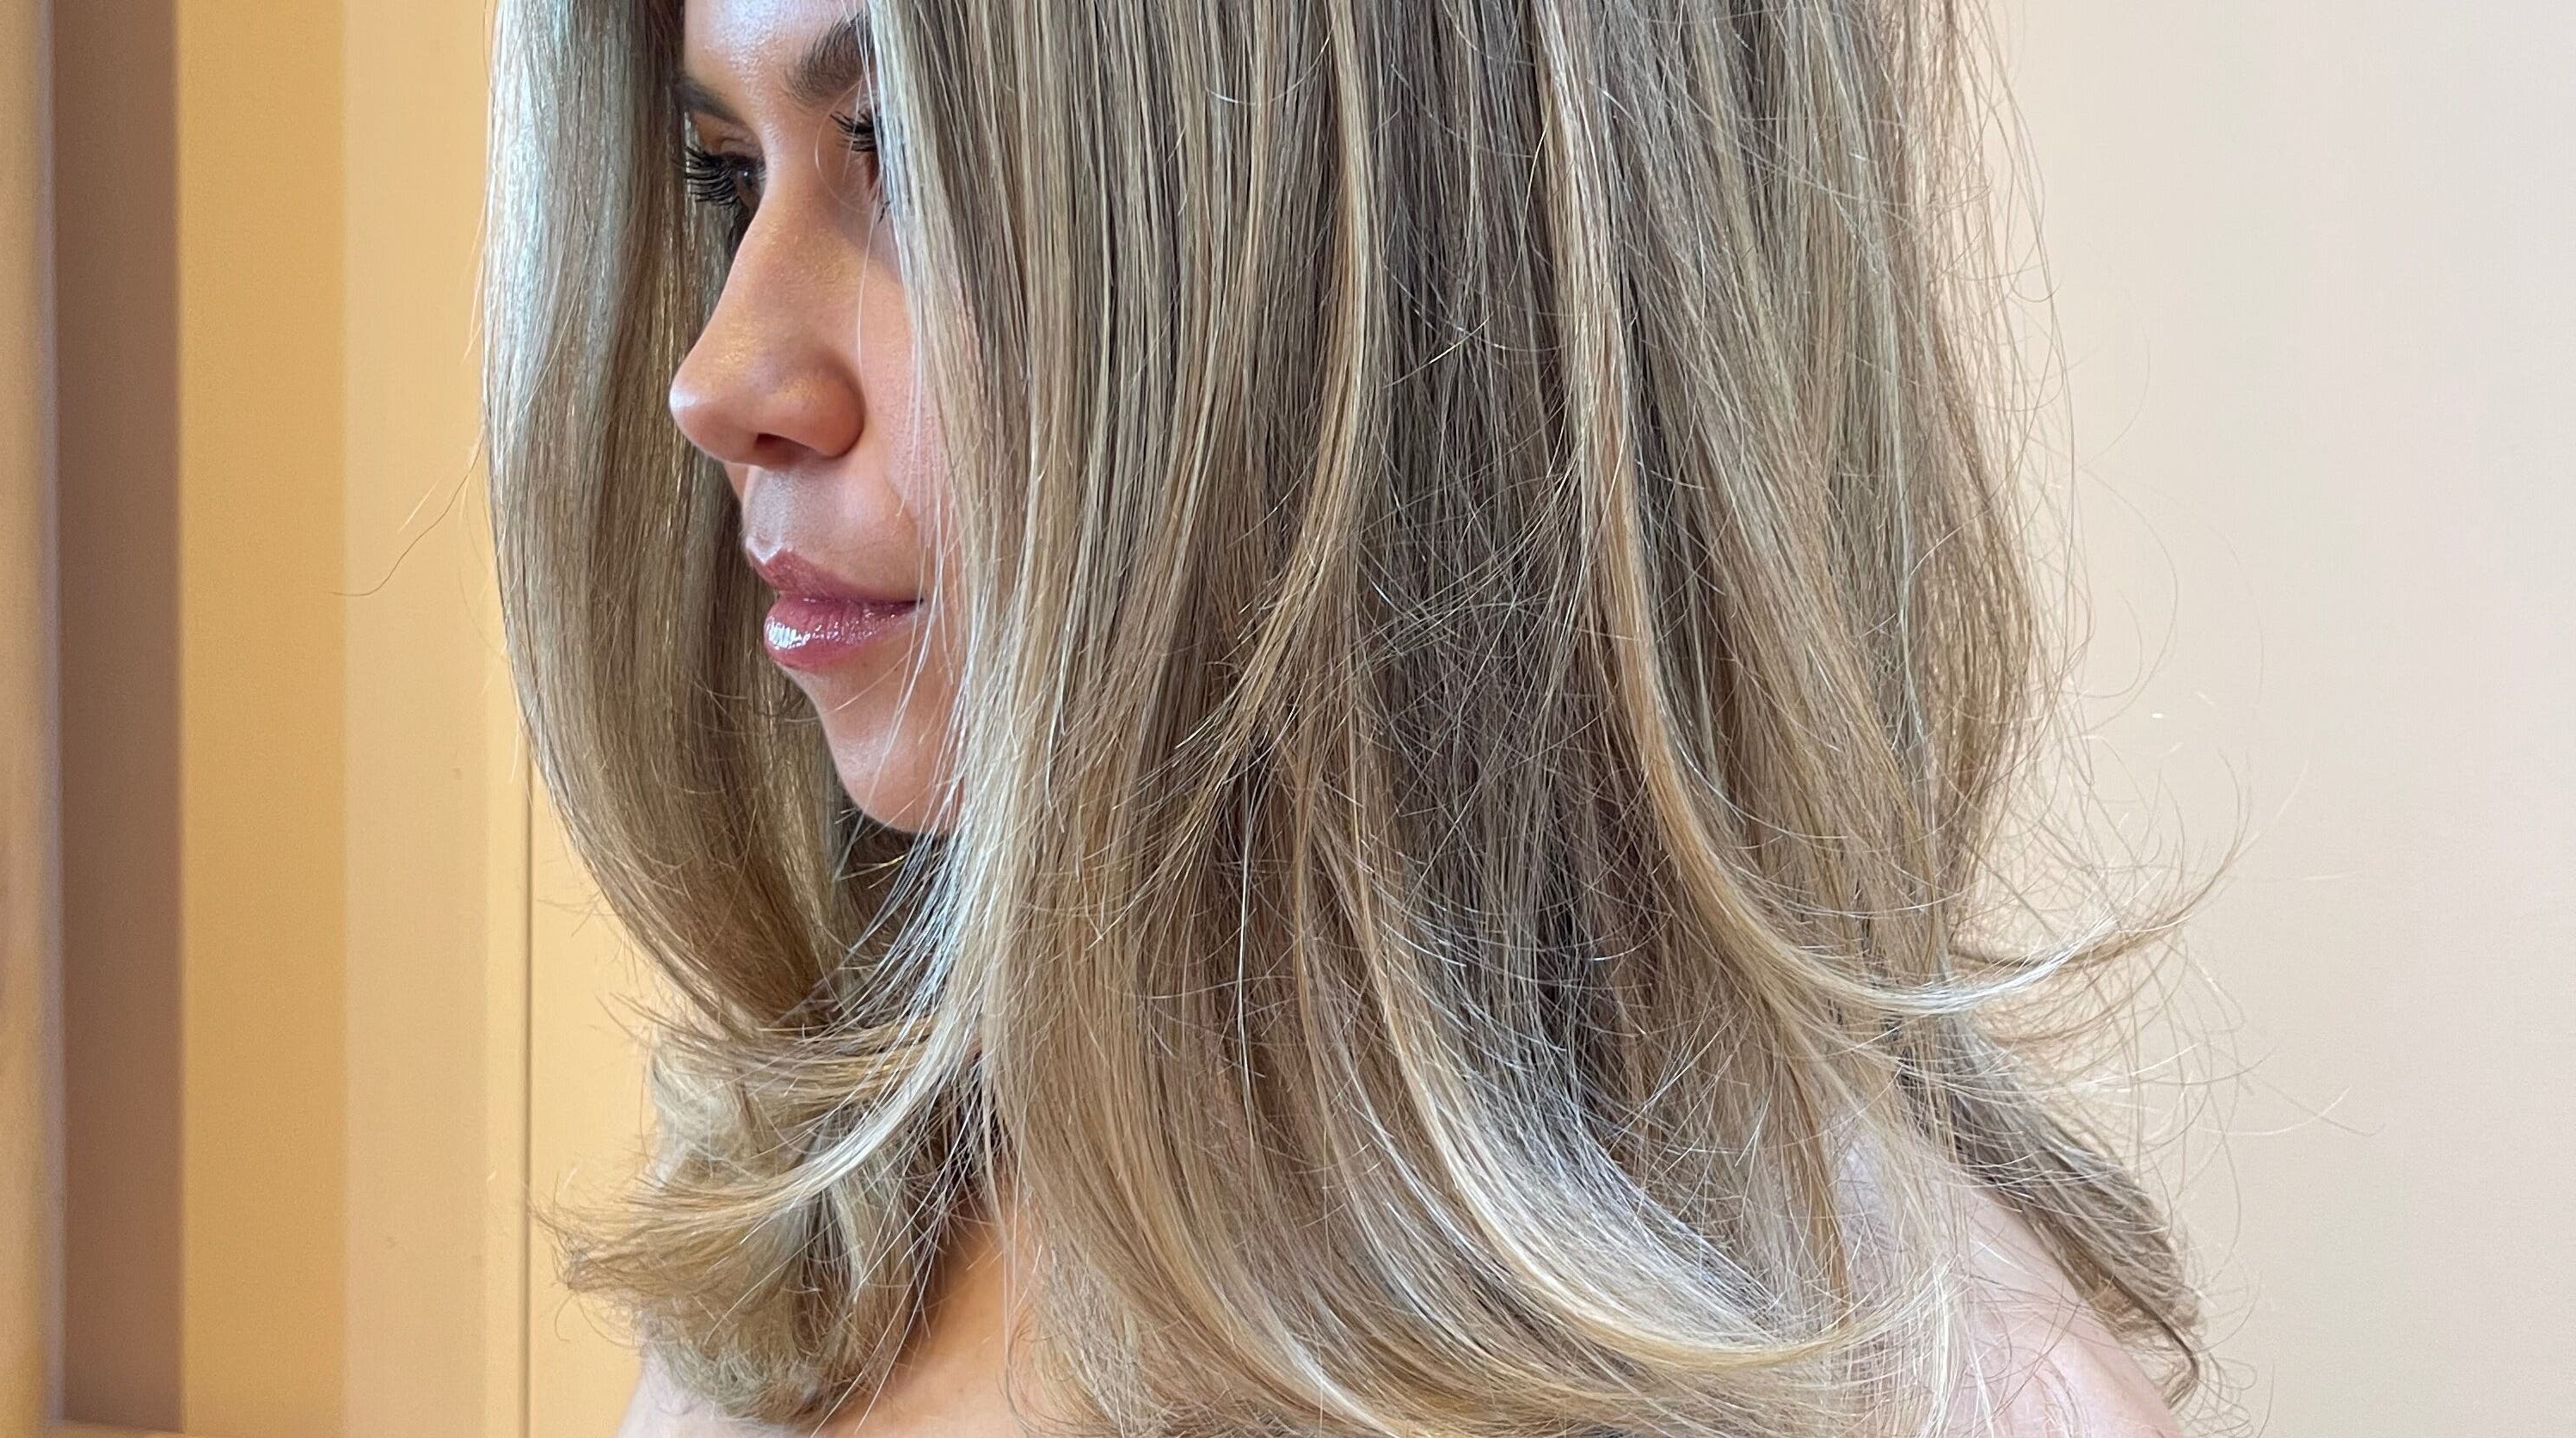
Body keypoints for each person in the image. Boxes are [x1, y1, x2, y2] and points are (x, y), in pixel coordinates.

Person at [483, 1, 2211, 1433]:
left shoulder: (1933, 1392)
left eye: (912, 159)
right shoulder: (824, 1271)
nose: (720, 377)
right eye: (726, 175)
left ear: (1433, 254)